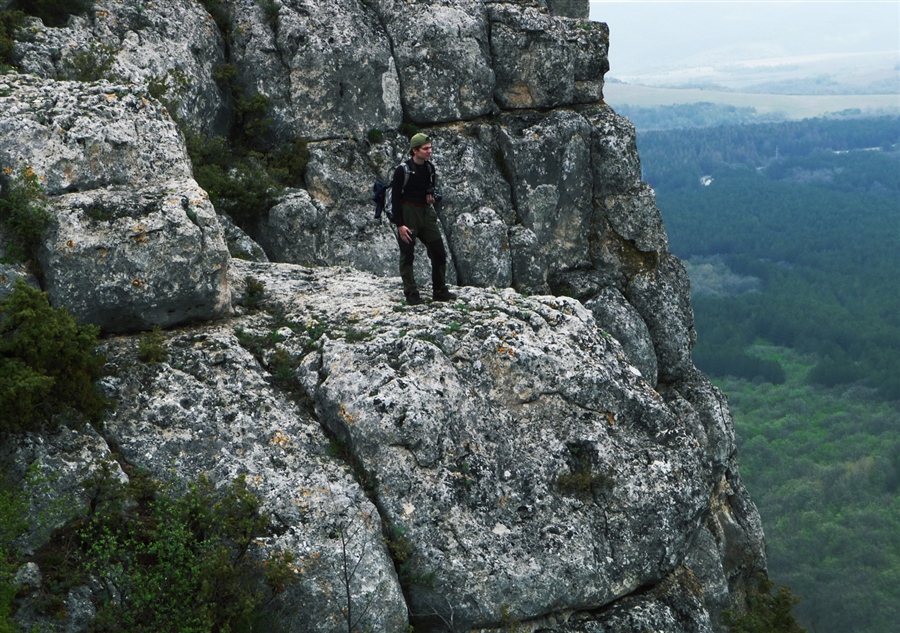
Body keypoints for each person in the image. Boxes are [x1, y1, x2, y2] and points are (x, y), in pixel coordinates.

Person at [391, 133, 457, 305]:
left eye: (430, 148)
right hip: (408, 212)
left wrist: (430, 197)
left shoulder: (429, 168)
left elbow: (429, 188)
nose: (430, 151)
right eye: (425, 148)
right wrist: (400, 225)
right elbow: (395, 198)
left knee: (438, 251)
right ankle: (411, 293)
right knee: (407, 254)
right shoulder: (402, 170)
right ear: (415, 150)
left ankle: (439, 290)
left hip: (426, 213)